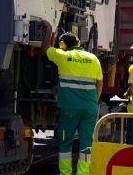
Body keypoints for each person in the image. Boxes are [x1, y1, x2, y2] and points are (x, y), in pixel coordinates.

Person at [43, 32, 103, 175]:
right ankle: (83, 173)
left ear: (63, 44)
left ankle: (65, 173)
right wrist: (93, 102)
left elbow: (45, 48)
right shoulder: (93, 58)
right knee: (86, 145)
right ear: (78, 43)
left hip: (69, 109)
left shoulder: (62, 56)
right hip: (89, 108)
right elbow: (99, 84)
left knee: (65, 142)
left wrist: (48, 30)